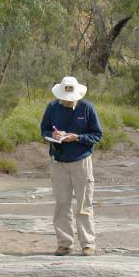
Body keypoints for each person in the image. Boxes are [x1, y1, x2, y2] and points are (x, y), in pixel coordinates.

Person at [40, 76, 103, 256]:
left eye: (70, 99)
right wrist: (53, 134)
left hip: (81, 162)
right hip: (58, 162)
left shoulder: (87, 108)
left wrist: (78, 137)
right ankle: (64, 244)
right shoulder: (52, 107)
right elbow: (43, 131)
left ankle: (88, 244)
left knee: (84, 204)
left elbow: (97, 135)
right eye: (65, 99)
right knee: (62, 204)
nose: (67, 102)